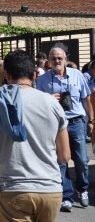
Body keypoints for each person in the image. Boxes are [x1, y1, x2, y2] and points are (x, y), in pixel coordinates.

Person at [0, 50, 70, 222]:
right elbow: (64, 155)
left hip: (13, 187)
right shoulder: (53, 103)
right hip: (50, 189)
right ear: (35, 74)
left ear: (7, 75)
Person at [36, 46, 93, 212]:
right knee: (61, 161)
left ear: (66, 59)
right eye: (53, 58)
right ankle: (67, 196)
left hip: (76, 122)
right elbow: (38, 103)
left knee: (81, 160)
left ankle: (82, 189)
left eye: (60, 58)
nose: (57, 61)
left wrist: (91, 120)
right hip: (56, 124)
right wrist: (48, 99)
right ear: (49, 61)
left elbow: (86, 98)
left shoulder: (78, 75)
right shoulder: (43, 80)